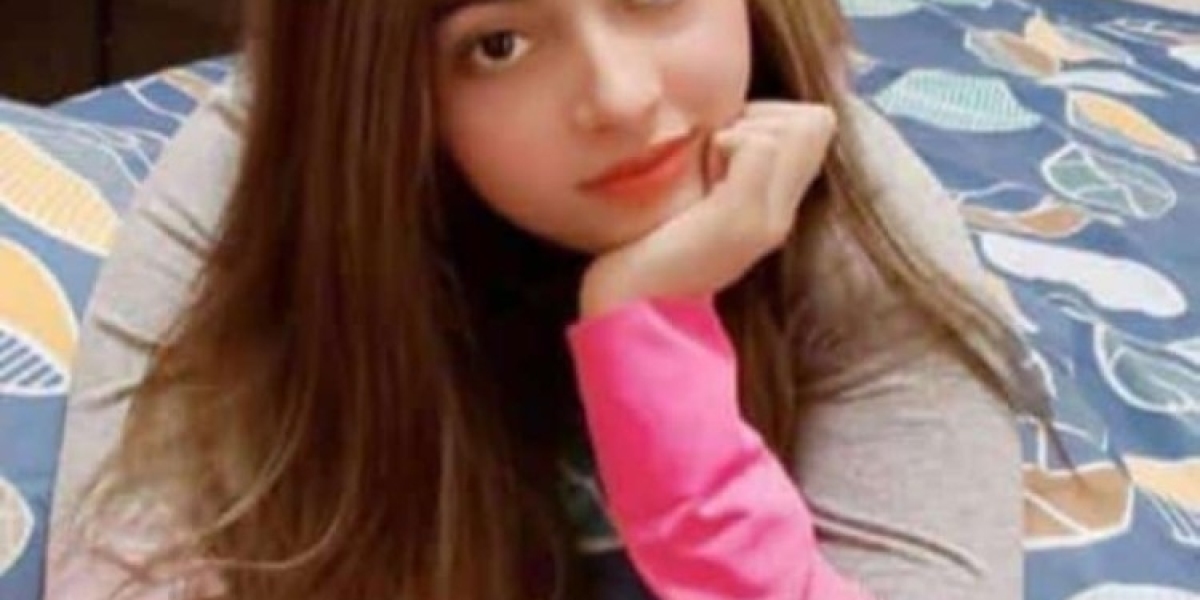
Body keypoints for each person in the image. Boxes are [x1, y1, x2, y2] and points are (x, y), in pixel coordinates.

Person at [46, 0, 1046, 598]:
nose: (619, 96)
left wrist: (651, 340)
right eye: (499, 44)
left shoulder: (852, 212)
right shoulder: (255, 196)